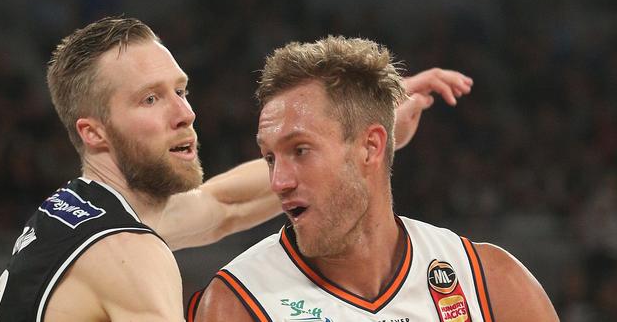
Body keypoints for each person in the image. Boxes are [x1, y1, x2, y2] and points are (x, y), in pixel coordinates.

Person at [0, 17, 472, 321]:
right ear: (93, 132)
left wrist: (356, 138)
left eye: (181, 89)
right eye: (150, 99)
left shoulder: (79, 214)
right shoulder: (130, 255)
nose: (184, 112)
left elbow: (222, 205)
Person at [192, 36, 559, 322]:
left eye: (300, 150)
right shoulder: (239, 302)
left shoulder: (491, 283)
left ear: (371, 147)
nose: (277, 183)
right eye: (270, 157)